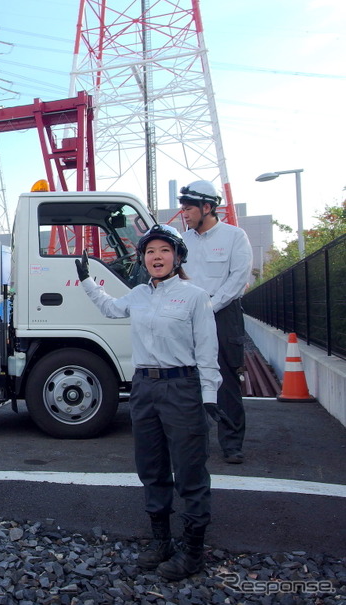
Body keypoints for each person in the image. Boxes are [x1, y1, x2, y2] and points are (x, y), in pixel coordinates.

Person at [75, 224, 221, 580]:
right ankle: (162, 542)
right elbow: (111, 309)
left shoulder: (194, 296)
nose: (157, 256)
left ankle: (194, 552)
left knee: (189, 471)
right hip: (143, 388)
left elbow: (207, 350)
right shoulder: (138, 293)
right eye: (151, 251)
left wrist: (209, 396)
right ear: (143, 258)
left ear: (178, 256)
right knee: (151, 467)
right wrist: (87, 281)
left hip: (182, 386)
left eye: (164, 250)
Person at [179, 180, 253, 464]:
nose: (184, 213)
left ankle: (232, 443)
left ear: (207, 207)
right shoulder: (182, 242)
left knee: (225, 382)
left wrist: (208, 307)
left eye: (189, 208)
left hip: (223, 316)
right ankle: (192, 443)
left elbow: (237, 279)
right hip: (186, 315)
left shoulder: (235, 237)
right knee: (186, 379)